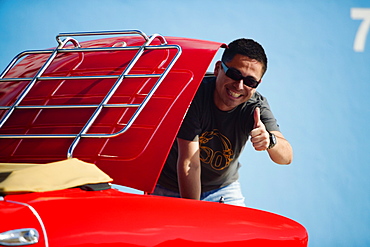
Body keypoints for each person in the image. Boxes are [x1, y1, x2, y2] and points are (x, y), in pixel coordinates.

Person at [153, 38, 293, 206]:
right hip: (167, 187)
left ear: (257, 84)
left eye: (250, 81)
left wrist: (270, 141)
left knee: (238, 233)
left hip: (222, 189)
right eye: (234, 74)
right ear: (218, 68)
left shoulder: (255, 106)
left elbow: (286, 157)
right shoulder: (193, 94)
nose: (239, 86)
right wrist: (193, 213)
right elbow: (190, 163)